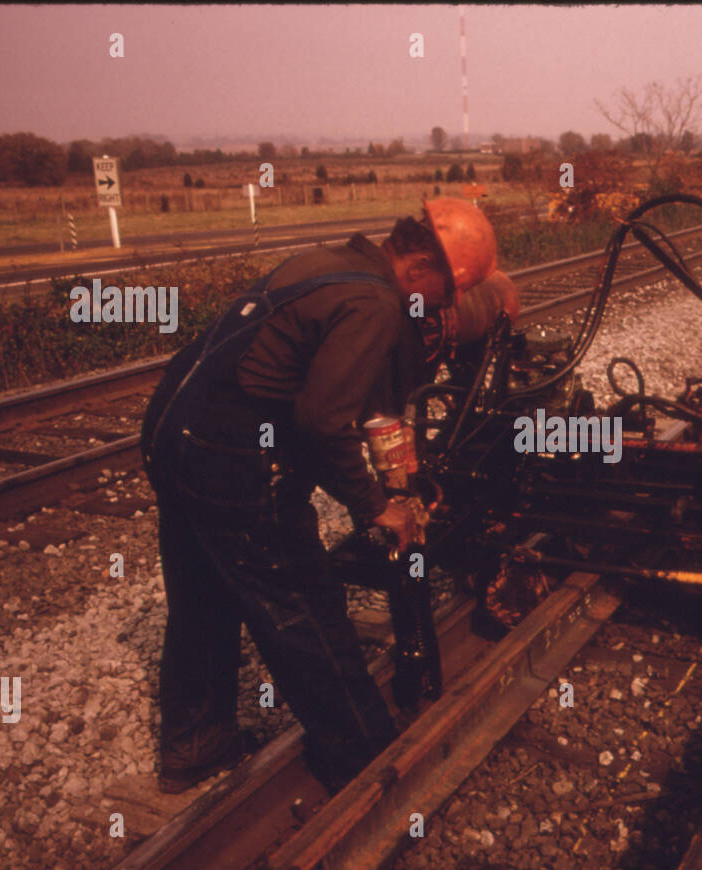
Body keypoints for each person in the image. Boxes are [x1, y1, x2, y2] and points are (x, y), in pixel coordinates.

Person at [139, 199, 504, 795]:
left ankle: (196, 741)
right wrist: (376, 506)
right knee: (304, 602)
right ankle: (364, 765)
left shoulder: (331, 260)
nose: (439, 308)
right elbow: (322, 421)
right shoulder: (379, 302)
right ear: (418, 266)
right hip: (232, 453)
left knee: (202, 592)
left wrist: (396, 470)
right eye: (443, 294)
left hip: (173, 432)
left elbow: (337, 392)